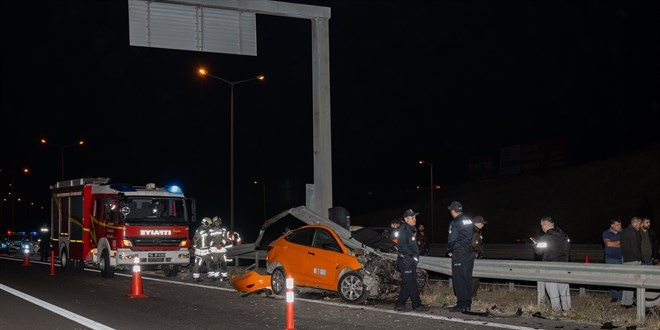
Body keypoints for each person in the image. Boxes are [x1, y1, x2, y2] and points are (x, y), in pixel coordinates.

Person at [533, 216, 571, 314]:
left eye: (542, 225)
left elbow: (538, 251)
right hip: (564, 265)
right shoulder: (564, 235)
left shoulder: (545, 237)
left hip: (549, 266)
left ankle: (556, 310)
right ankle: (567, 309)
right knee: (564, 288)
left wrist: (536, 245)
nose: (542, 227)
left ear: (545, 225)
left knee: (552, 288)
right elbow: (568, 249)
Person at [393, 209, 429, 313]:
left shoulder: (410, 229)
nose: (414, 219)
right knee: (412, 283)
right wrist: (409, 257)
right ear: (406, 219)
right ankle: (417, 305)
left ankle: (399, 304)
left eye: (415, 217)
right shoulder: (404, 229)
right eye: (412, 217)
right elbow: (403, 246)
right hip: (406, 260)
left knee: (407, 283)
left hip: (409, 260)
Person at [446, 201, 475, 313]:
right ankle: (467, 303)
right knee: (467, 278)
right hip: (469, 253)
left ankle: (461, 304)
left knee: (458, 279)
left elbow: (452, 239)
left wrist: (449, 250)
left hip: (459, 253)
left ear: (453, 211)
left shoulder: (455, 222)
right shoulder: (468, 219)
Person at [620, 216, 642, 307]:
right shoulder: (634, 233)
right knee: (632, 281)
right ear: (635, 223)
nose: (640, 226)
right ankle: (628, 303)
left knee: (626, 281)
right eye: (640, 224)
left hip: (625, 259)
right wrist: (640, 259)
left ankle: (625, 301)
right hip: (633, 260)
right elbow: (635, 249)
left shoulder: (623, 232)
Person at [602, 217, 623, 302]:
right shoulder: (606, 233)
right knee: (612, 277)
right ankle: (614, 296)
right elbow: (608, 244)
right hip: (610, 259)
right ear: (612, 225)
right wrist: (620, 242)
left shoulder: (623, 233)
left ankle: (621, 296)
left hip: (622, 258)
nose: (620, 226)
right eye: (617, 225)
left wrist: (615, 243)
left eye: (620, 224)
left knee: (622, 277)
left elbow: (625, 244)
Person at [192, 217, 213, 282]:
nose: (210, 225)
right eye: (209, 224)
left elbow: (209, 240)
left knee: (209, 265)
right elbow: (195, 240)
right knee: (198, 265)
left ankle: (211, 277)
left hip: (207, 251)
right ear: (206, 223)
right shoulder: (199, 231)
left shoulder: (208, 231)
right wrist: (195, 247)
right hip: (200, 252)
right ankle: (196, 278)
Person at [209, 216, 230, 281]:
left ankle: (224, 276)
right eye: (216, 222)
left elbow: (225, 239)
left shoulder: (223, 230)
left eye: (218, 221)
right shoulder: (210, 230)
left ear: (220, 222)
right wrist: (215, 245)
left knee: (223, 263)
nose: (217, 223)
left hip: (222, 249)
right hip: (213, 250)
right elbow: (209, 240)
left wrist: (220, 244)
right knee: (214, 263)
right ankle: (216, 276)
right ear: (213, 223)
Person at [470, 215, 487, 298]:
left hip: (469, 256)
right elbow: (474, 244)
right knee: (475, 277)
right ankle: (472, 295)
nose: (483, 225)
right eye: (481, 223)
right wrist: (479, 252)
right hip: (474, 257)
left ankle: (469, 294)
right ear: (476, 223)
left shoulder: (469, 230)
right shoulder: (475, 232)